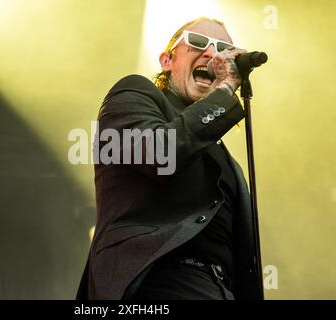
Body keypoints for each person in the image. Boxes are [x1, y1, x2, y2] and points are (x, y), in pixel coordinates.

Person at [76, 17, 263, 300]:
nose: (211, 54)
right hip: (156, 280)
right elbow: (159, 155)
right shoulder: (134, 95)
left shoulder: (222, 155)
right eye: (198, 43)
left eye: (223, 48)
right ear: (167, 60)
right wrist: (224, 90)